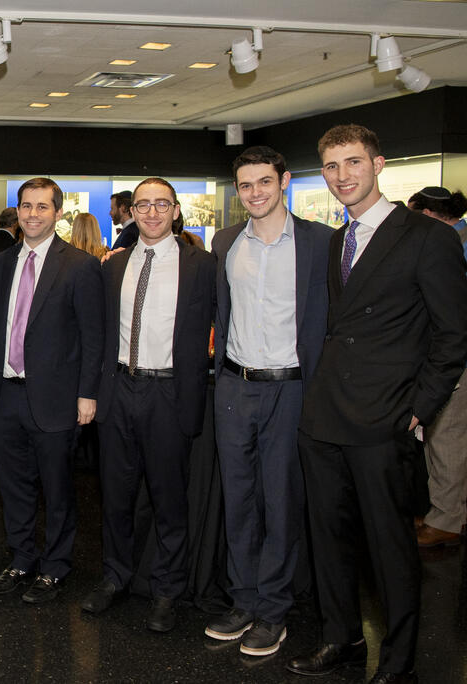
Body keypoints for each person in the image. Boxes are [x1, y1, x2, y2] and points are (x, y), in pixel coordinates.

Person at [288, 125, 467, 684]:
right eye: (332, 166)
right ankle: (339, 638)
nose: (343, 176)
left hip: (383, 418)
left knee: (390, 548)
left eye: (353, 163)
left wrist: (419, 408)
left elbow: (454, 335)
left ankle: (398, 660)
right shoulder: (336, 239)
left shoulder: (425, 237)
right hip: (324, 417)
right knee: (329, 540)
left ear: (379, 165)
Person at [205, 147, 331, 656]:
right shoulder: (226, 241)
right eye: (245, 184)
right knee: (237, 498)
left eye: (264, 181)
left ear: (284, 181)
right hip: (234, 384)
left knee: (279, 499)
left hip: (291, 386)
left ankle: (274, 610)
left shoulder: (319, 242)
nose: (255, 192)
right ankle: (243, 598)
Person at [83, 177, 216, 632]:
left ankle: (166, 590)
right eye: (143, 205)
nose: (153, 213)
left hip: (170, 392)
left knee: (168, 498)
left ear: (176, 210)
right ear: (132, 212)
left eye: (162, 205)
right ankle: (115, 577)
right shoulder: (112, 266)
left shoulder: (202, 265)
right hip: (119, 389)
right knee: (115, 495)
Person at [0, 178, 103, 604]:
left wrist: (87, 394)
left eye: (42, 207)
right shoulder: (0, 263)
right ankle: (20, 560)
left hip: (55, 399)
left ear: (57, 213)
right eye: (26, 206)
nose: (32, 214)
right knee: (13, 488)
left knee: (57, 489)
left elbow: (94, 337)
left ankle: (55, 567)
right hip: (5, 395)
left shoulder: (80, 266)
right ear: (17, 212)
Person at [405, 186, 467, 548]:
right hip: (447, 358)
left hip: (454, 361)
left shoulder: (450, 245)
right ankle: (446, 512)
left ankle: (446, 520)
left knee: (447, 438)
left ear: (427, 214)